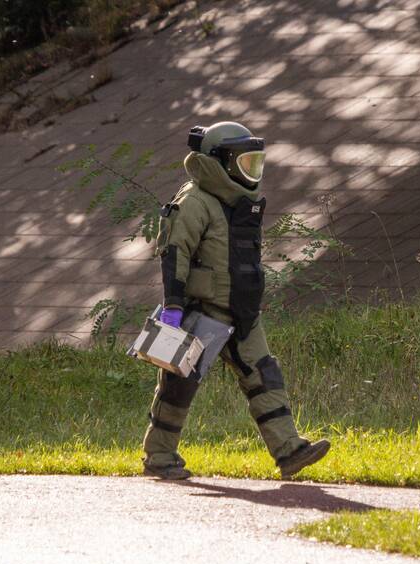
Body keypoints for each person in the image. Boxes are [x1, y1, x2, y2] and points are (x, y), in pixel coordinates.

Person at [141, 121, 331, 480]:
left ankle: (289, 450)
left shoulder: (239, 205)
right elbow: (175, 253)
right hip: (202, 313)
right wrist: (174, 306)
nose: (252, 173)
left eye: (255, 163)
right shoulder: (194, 202)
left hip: (242, 315)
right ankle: (159, 457)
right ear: (217, 164)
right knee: (178, 387)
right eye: (244, 164)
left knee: (264, 375)